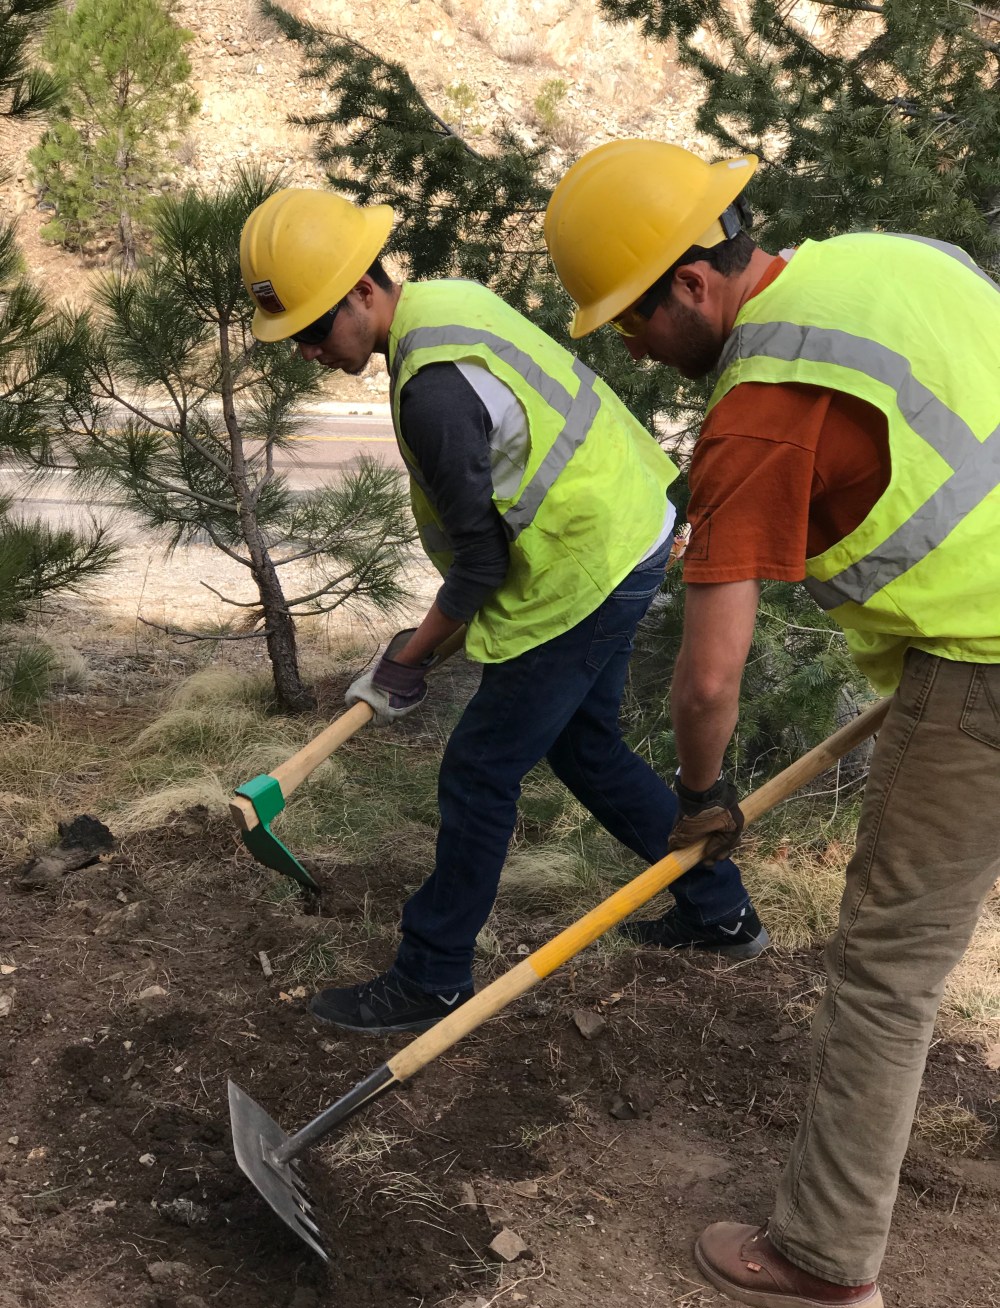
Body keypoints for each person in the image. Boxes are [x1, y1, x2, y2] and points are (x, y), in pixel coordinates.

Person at [544, 138, 1000, 1308]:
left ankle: (822, 1260)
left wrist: (703, 796)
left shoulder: (753, 421)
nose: (629, 350)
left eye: (630, 324)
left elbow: (707, 679)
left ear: (692, 284)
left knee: (885, 972)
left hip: (985, 667)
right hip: (971, 638)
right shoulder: (896, 260)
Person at [238, 187, 768, 1037]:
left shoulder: (431, 391)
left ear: (364, 291)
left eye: (309, 327)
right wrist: (414, 650)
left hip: (583, 566)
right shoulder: (445, 303)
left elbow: (481, 565)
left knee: (478, 770)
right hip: (622, 528)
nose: (303, 349)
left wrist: (409, 657)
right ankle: (721, 912)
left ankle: (433, 974)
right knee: (587, 749)